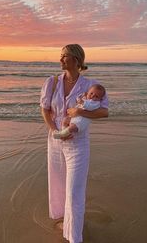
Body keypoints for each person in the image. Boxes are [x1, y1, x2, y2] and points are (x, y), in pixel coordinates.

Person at [40, 44, 109, 243]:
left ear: (77, 60)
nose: (60, 60)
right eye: (61, 56)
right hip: (55, 141)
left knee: (74, 192)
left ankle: (75, 238)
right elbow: (45, 110)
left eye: (65, 56)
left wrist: (79, 112)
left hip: (78, 145)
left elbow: (104, 112)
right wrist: (55, 130)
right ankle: (68, 224)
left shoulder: (91, 86)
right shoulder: (51, 82)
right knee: (59, 186)